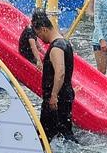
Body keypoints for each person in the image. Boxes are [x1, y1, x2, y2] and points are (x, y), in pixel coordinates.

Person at [32, 10, 75, 141]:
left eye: (38, 33)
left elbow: (60, 73)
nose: (39, 37)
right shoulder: (65, 42)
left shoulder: (56, 47)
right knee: (63, 130)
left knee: (45, 135)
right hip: (65, 94)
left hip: (57, 98)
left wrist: (53, 96)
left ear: (44, 29)